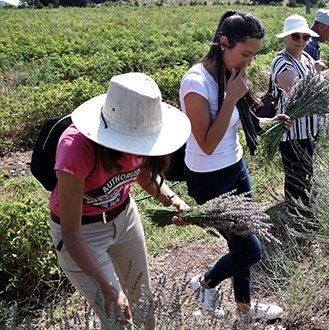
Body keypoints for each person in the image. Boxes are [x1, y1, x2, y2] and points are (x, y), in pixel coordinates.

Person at [48, 72, 191, 329]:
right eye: (134, 143)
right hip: (84, 233)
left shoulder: (141, 134)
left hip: (124, 218)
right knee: (117, 318)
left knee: (143, 304)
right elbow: (71, 234)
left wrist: (173, 199)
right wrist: (107, 287)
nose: (141, 150)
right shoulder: (76, 148)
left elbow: (143, 175)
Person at [179, 10, 290, 321]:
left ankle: (244, 310)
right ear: (224, 43)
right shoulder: (196, 82)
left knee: (241, 246)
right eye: (245, 53)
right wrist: (230, 98)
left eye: (253, 55)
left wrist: (269, 122)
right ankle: (203, 283)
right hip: (208, 179)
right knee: (249, 250)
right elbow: (206, 143)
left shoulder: (231, 75)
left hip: (235, 168)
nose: (249, 62)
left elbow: (237, 122)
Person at [271, 14, 329, 217]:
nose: (301, 41)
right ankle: (296, 216)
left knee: (306, 171)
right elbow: (299, 92)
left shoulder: (306, 57)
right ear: (286, 37)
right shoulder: (282, 62)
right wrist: (319, 76)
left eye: (305, 37)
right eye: (296, 37)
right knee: (296, 174)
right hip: (292, 129)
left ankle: (306, 211)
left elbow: (317, 79)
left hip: (309, 128)